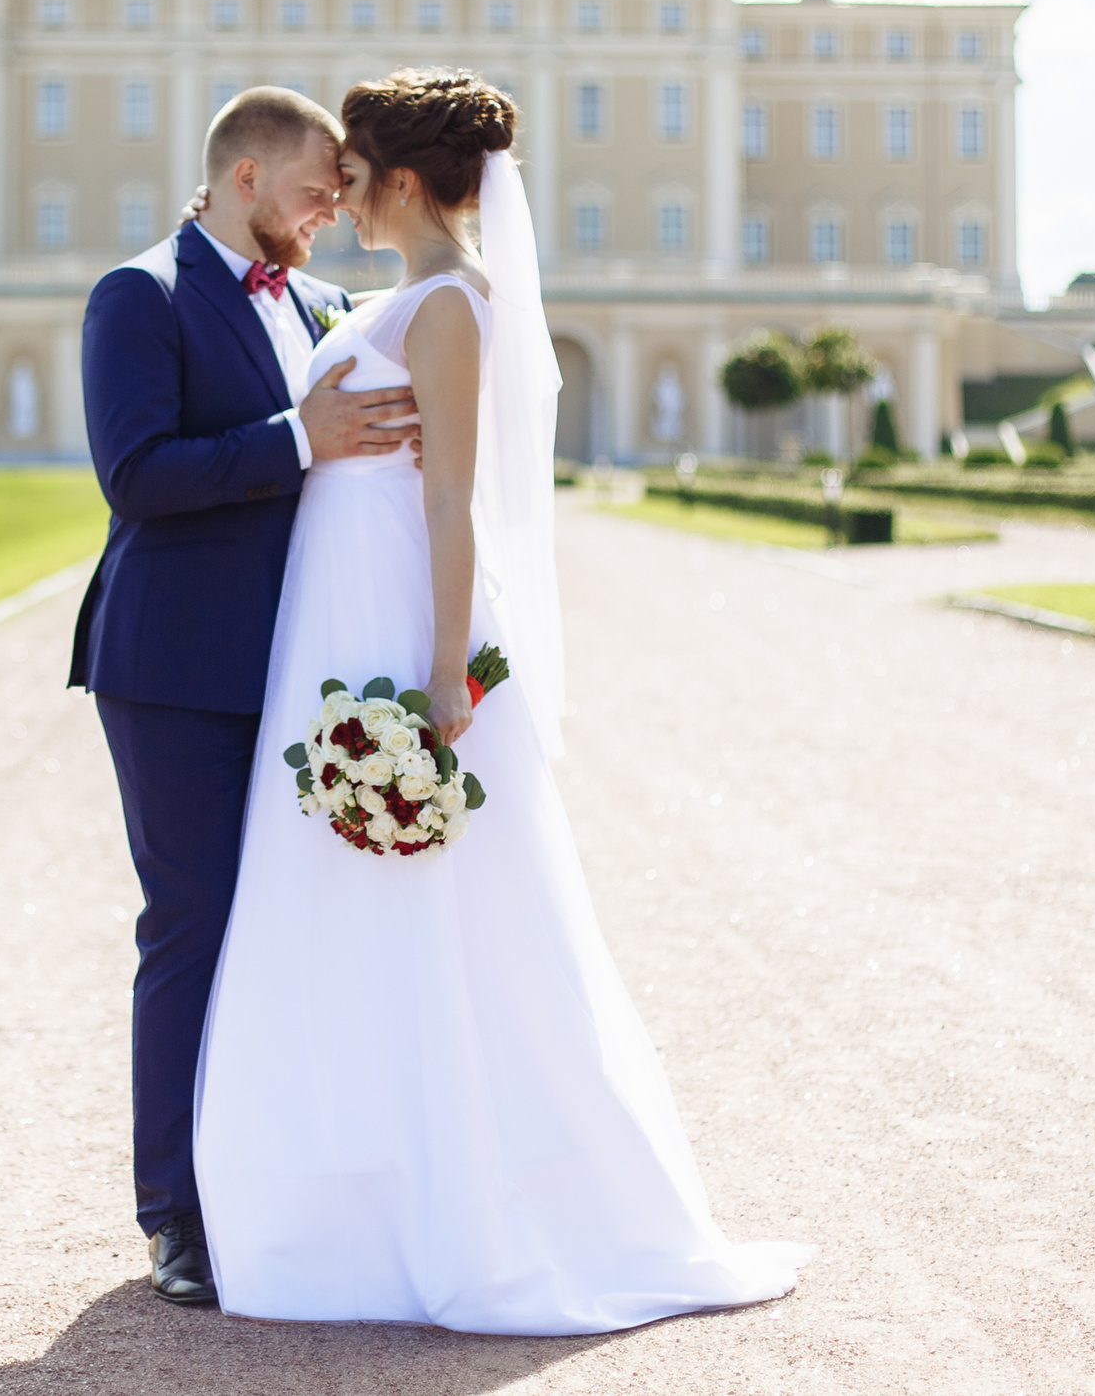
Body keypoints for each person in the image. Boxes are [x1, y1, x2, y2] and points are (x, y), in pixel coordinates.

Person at [192, 68, 807, 1333]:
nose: (338, 192)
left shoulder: (450, 309)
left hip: (392, 634)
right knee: (342, 905)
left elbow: (452, 498)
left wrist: (438, 671)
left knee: (448, 916)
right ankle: (351, 1202)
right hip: (334, 626)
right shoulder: (399, 297)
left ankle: (455, 1203)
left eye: (352, 171)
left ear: (404, 181)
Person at [69, 86, 422, 1306]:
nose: (334, 207)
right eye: (318, 187)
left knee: (292, 929)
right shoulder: (140, 296)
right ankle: (176, 1213)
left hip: (299, 672)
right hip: (173, 671)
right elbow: (136, 476)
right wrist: (298, 437)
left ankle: (277, 1180)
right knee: (194, 926)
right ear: (244, 178)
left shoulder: (326, 306)